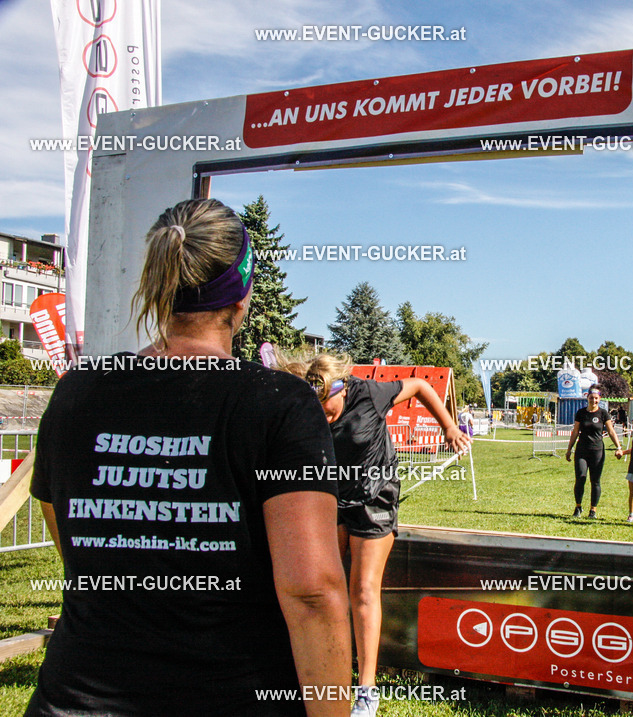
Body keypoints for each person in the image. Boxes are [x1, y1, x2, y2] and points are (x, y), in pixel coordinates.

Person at [27, 199, 351, 716]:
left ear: (157, 287)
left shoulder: (76, 395)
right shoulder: (277, 404)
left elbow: (75, 546)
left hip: (75, 699)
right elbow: (312, 593)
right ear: (241, 297)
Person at [302, 352, 470, 717]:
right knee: (324, 588)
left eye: (328, 408)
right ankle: (326, 677)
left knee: (362, 589)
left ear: (342, 388)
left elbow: (423, 387)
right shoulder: (312, 400)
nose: (324, 416)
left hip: (374, 497)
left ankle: (366, 691)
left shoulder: (371, 393)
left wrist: (449, 427)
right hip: (332, 496)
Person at [564, 385, 622, 519]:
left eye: (596, 398)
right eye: (591, 398)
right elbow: (575, 432)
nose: (593, 400)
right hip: (582, 451)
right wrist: (569, 449)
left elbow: (611, 431)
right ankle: (578, 507)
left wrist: (618, 447)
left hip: (597, 451)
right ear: (587, 398)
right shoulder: (581, 413)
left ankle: (593, 510)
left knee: (595, 481)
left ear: (599, 398)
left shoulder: (603, 413)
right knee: (580, 478)